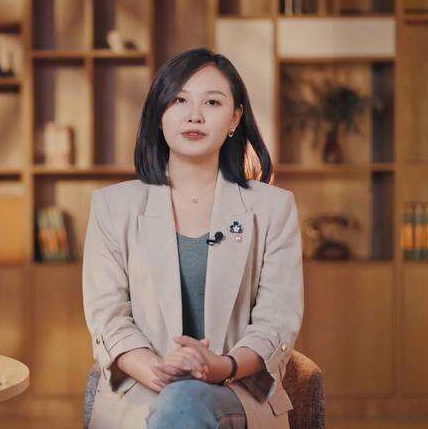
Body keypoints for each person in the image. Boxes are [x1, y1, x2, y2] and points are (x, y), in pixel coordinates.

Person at [82, 48, 304, 429]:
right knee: (177, 401)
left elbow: (277, 321)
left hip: (235, 390)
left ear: (235, 118)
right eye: (179, 100)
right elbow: (107, 315)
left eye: (212, 102)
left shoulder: (274, 208)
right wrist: (155, 369)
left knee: (183, 402)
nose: (194, 115)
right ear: (159, 114)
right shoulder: (112, 207)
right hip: (141, 389)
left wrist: (222, 366)